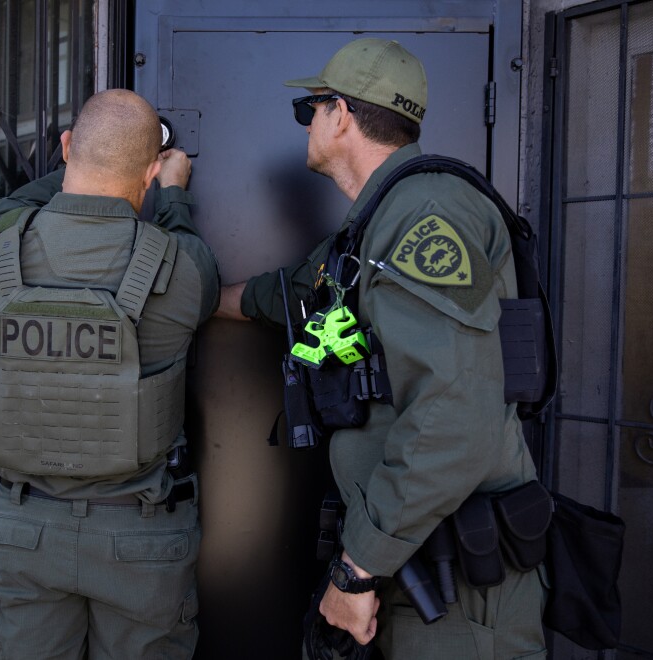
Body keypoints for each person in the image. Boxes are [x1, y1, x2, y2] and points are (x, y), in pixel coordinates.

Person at [216, 39, 547, 658]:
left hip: (451, 582)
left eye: (308, 109)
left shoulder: (425, 216)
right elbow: (291, 294)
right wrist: (193, 294)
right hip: (413, 555)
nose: (307, 124)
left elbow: (454, 417)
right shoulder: (374, 222)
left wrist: (357, 568)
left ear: (340, 114)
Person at [0, 89, 219, 659]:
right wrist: (174, 192)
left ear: (66, 147)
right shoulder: (183, 270)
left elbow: (10, 206)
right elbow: (187, 245)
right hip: (140, 538)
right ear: (151, 169)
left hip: (23, 530)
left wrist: (84, 160)